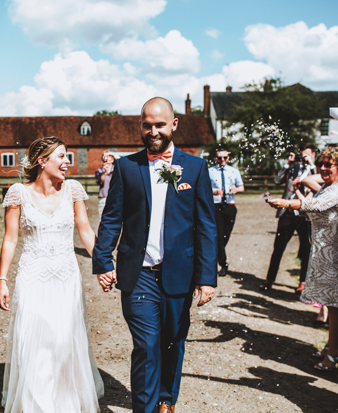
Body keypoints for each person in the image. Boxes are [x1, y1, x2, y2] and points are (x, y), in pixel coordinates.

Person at [93, 97, 217, 413]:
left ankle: (166, 399)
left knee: (172, 341)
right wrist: (103, 260)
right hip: (139, 275)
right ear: (140, 125)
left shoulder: (195, 168)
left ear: (173, 125)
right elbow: (111, 217)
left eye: (159, 124)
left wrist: (206, 278)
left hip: (180, 273)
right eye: (147, 125)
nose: (153, 131)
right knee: (146, 346)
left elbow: (205, 226)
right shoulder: (126, 167)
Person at [0, 136, 104, 412]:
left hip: (66, 275)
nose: (67, 162)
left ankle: (66, 401)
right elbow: (10, 240)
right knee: (34, 340)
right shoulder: (18, 193)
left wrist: (103, 264)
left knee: (63, 339)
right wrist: (2, 281)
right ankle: (38, 405)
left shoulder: (73, 190)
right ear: (42, 161)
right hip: (32, 276)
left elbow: (85, 231)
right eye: (61, 156)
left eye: (67, 156)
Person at [268, 147, 338, 372]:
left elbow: (316, 206)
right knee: (331, 304)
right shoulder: (328, 188)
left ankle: (335, 355)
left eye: (330, 164)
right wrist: (298, 194)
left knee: (337, 306)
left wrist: (287, 203)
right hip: (327, 252)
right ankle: (331, 347)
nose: (324, 168)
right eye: (321, 164)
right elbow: (310, 213)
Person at [259, 144, 316, 292]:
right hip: (287, 213)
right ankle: (269, 279)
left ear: (313, 154)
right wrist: (288, 164)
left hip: (305, 215)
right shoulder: (293, 169)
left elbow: (320, 184)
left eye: (306, 155)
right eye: (301, 155)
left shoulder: (315, 170)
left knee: (306, 248)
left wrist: (312, 165)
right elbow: (277, 181)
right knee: (278, 247)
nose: (302, 158)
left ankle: (302, 282)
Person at [208, 147, 244, 276]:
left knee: (225, 236)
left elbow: (242, 187)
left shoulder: (233, 171)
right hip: (216, 206)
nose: (222, 160)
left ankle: (218, 256)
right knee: (219, 236)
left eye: (224, 157)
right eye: (219, 158)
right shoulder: (210, 171)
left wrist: (236, 189)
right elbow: (204, 189)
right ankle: (223, 263)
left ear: (228, 158)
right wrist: (214, 192)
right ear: (215, 158)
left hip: (229, 205)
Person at [95, 152, 115, 218]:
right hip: (104, 197)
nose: (106, 157)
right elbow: (100, 182)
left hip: (115, 197)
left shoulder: (117, 169)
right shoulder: (99, 171)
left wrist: (115, 155)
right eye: (104, 156)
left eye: (109, 156)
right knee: (103, 218)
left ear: (112, 159)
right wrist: (105, 172)